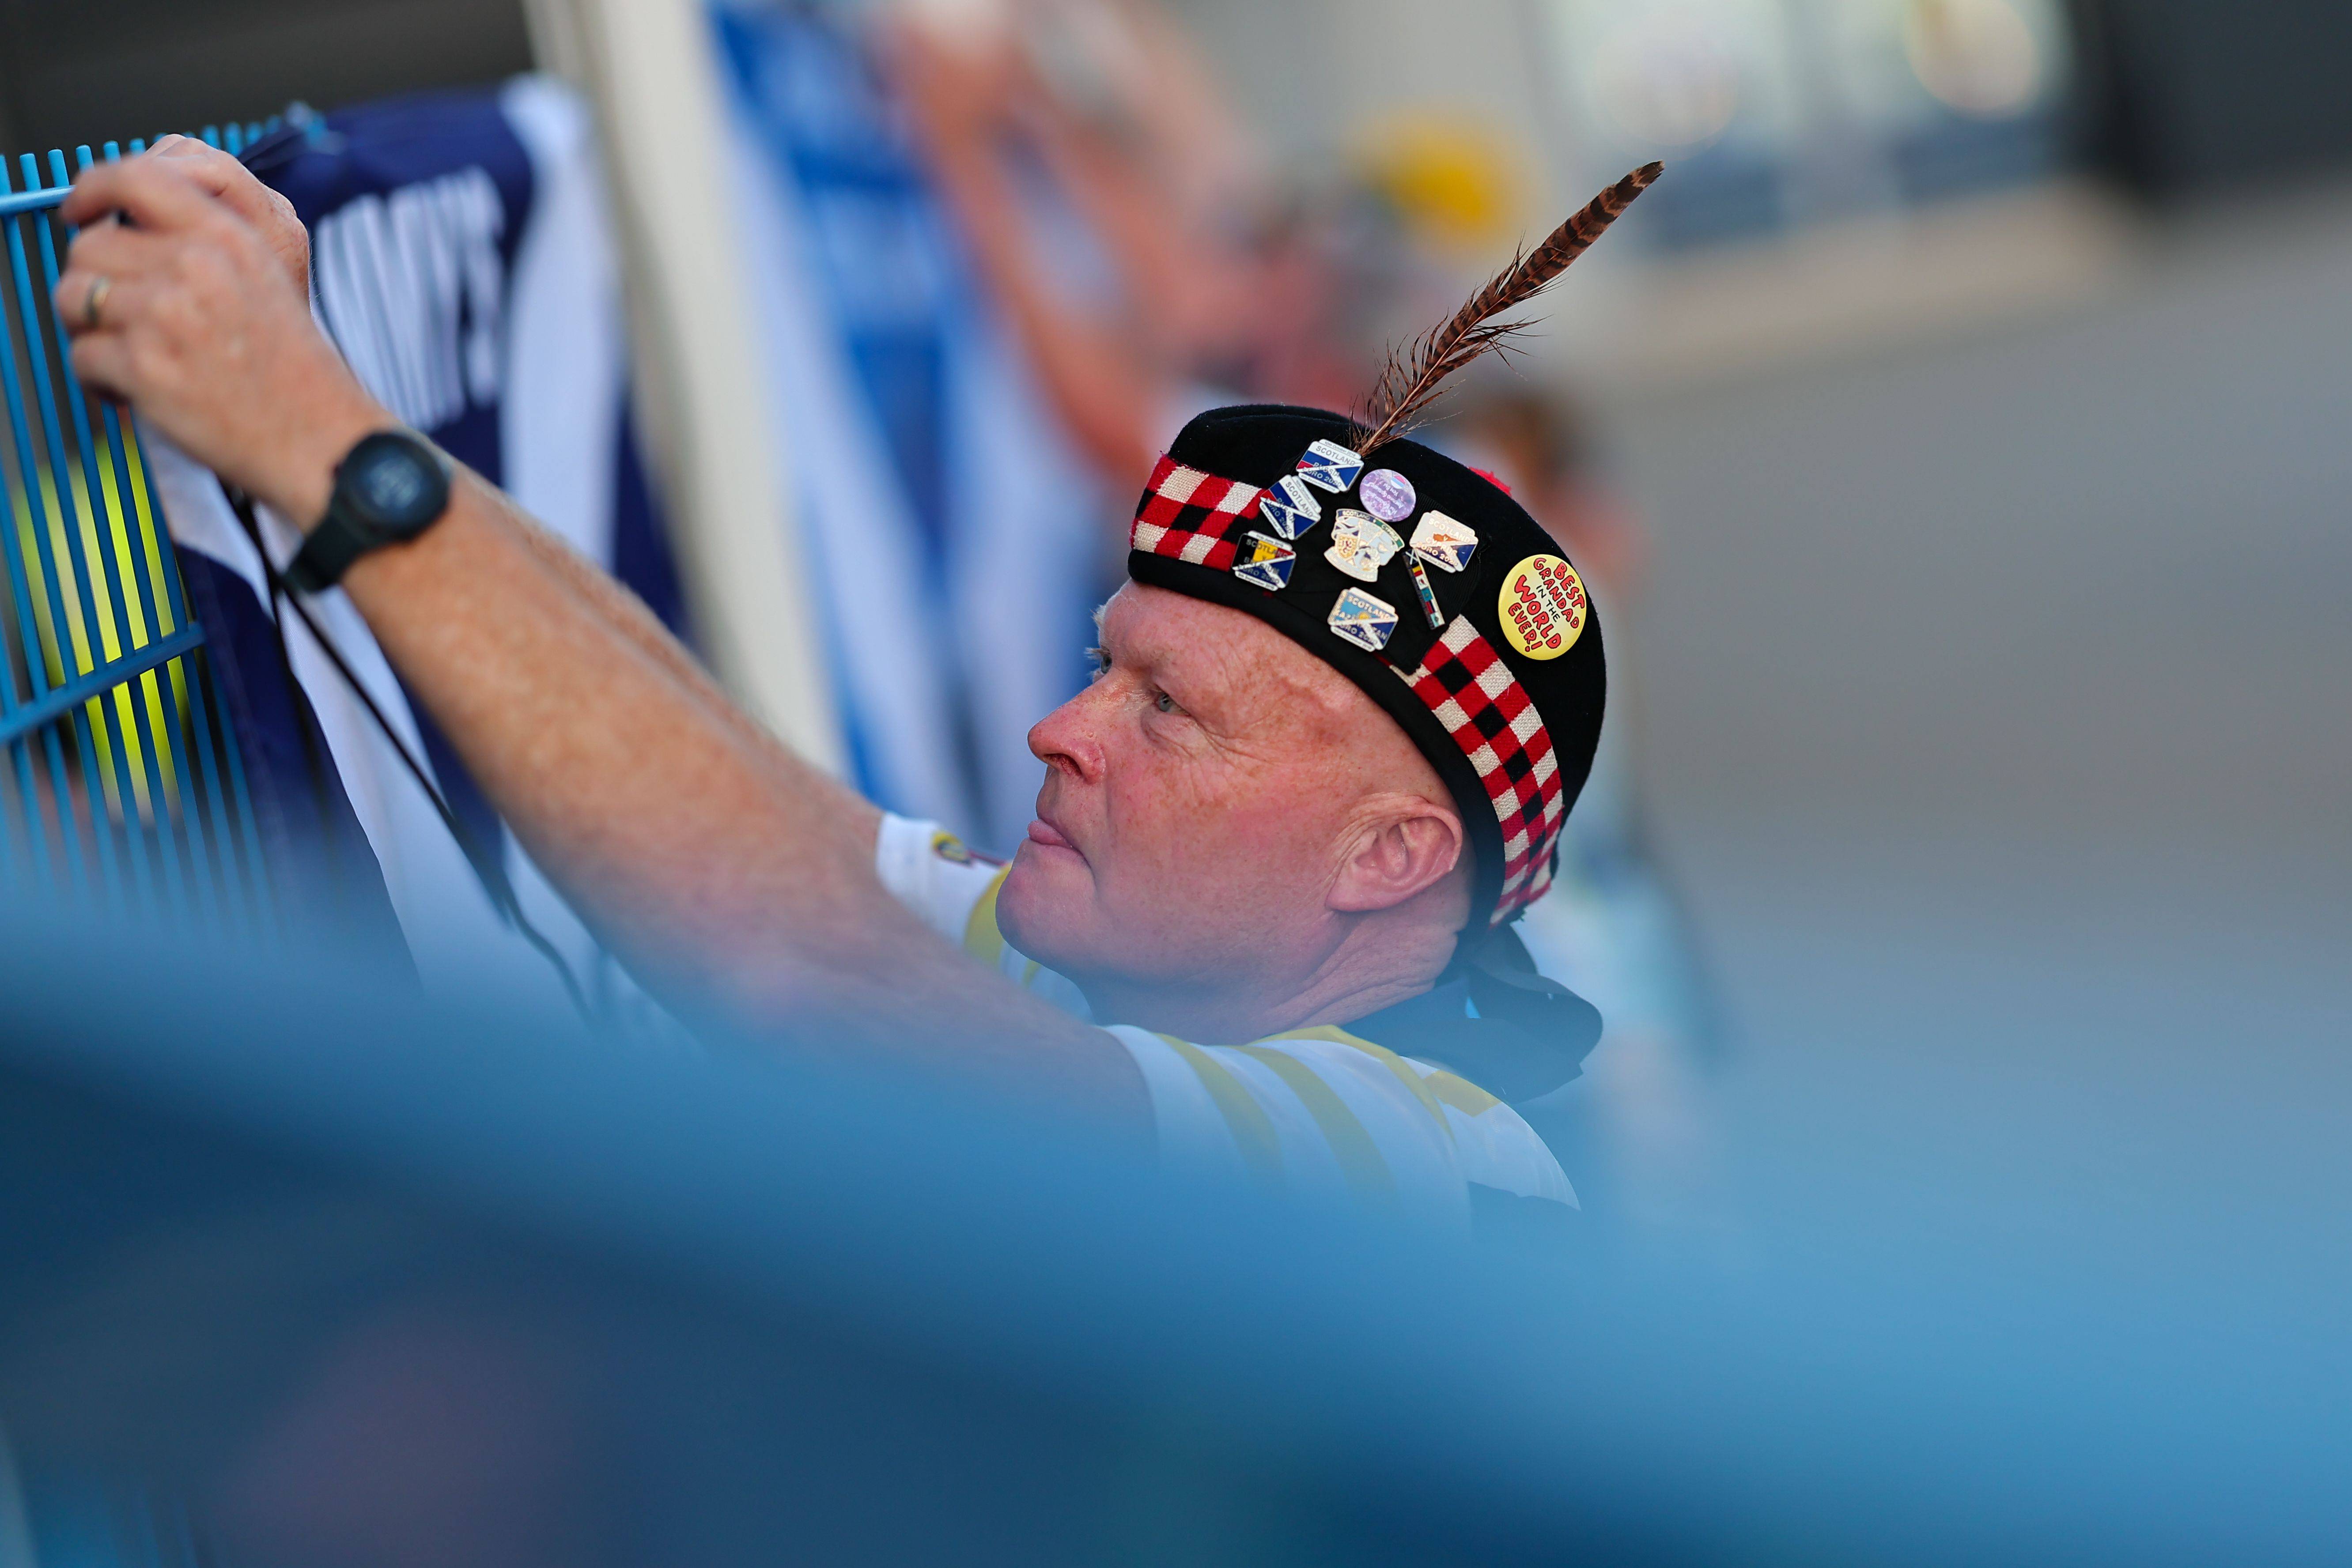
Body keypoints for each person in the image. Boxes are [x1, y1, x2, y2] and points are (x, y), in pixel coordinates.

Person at [53, 138, 1632, 1227]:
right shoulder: (1144, 982)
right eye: (1105, 666)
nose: (1058, 729)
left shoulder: (1440, 1167)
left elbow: (826, 991)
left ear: (1390, 860)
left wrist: (312, 450)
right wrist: (334, 415)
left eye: (1168, 712)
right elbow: (780, 832)